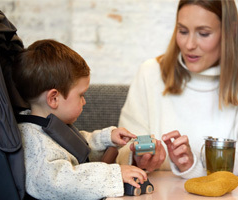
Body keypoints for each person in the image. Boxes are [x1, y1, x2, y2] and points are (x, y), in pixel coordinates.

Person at [116, 0, 238, 179]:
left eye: (204, 33)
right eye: (182, 31)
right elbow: (123, 148)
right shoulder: (150, 72)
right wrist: (137, 158)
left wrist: (195, 165)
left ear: (229, 32)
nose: (189, 44)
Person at [12, 39, 147, 199]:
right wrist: (113, 175)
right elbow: (59, 182)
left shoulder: (51, 126)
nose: (84, 101)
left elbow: (78, 145)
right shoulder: (34, 142)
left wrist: (107, 138)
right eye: (81, 95)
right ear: (53, 98)